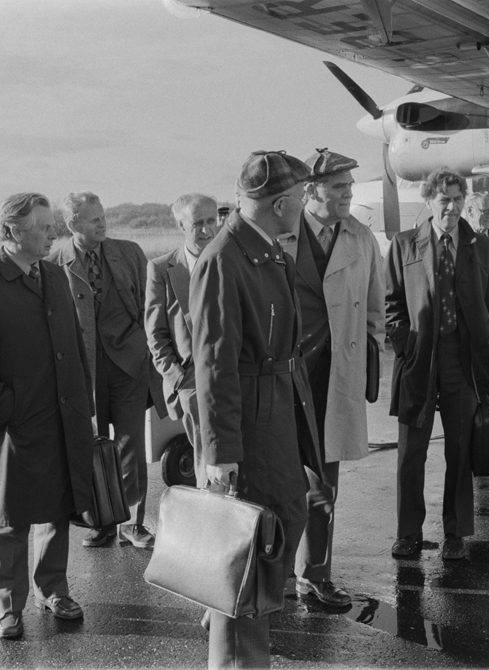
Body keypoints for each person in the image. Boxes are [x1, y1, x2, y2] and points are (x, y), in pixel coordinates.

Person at [191, 150, 327, 668]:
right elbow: (213, 363)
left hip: (279, 416)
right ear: (283, 202)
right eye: (304, 195)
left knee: (282, 528)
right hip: (247, 425)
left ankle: (233, 634)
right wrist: (221, 452)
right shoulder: (225, 258)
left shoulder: (269, 250)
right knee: (247, 553)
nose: (308, 202)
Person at [0, 193, 95, 639]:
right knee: (9, 515)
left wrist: (83, 407)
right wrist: (8, 411)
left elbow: (73, 348)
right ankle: (7, 605)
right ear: (12, 231)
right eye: (44, 226)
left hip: (62, 418)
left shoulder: (55, 275)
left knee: (57, 508)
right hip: (11, 428)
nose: (54, 233)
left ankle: (52, 588)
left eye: (53, 225)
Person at [276, 149, 385, 607]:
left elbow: (376, 308)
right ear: (313, 190)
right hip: (282, 378)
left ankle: (315, 576)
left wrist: (367, 355)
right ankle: (272, 575)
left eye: (349, 186)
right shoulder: (277, 233)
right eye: (339, 186)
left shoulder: (361, 238)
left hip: (333, 376)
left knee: (325, 484)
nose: (349, 193)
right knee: (276, 481)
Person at [386, 168, 489, 561]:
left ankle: (455, 532)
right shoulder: (404, 245)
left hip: (463, 362)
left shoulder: (481, 247)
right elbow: (391, 305)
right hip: (420, 361)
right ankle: (407, 533)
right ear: (429, 201)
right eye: (443, 199)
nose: (451, 207)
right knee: (410, 452)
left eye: (457, 199)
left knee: (459, 449)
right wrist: (407, 346)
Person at [49, 191, 163, 548]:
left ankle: (132, 524)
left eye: (103, 217)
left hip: (130, 363)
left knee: (131, 443)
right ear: (73, 225)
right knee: (89, 446)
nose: (103, 224)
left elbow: (151, 305)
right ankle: (102, 520)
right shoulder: (53, 263)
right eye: (94, 219)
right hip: (84, 369)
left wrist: (144, 344)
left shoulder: (129, 252)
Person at [145, 194, 218, 487]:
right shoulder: (162, 269)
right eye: (197, 223)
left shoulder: (231, 261)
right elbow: (155, 333)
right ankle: (208, 522)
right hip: (192, 384)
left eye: (211, 221)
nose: (206, 230)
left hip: (237, 377)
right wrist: (178, 378)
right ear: (180, 225)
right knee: (206, 463)